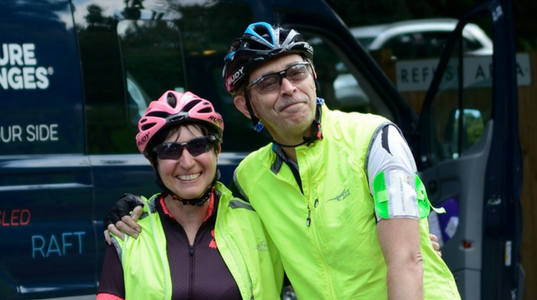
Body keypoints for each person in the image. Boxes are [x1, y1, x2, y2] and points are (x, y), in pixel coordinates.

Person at [104, 22, 459, 300]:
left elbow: (407, 261)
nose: (288, 88)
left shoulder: (375, 140)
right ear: (246, 105)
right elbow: (211, 213)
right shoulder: (250, 177)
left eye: (296, 72)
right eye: (269, 83)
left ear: (314, 76)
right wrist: (130, 209)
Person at [97, 90, 284, 300]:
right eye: (169, 150)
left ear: (217, 150)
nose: (186, 163)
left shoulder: (260, 222)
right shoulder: (128, 234)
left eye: (198, 146)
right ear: (153, 161)